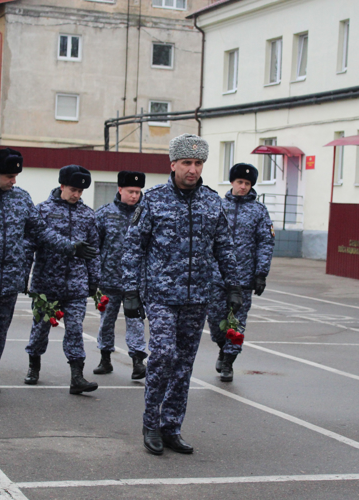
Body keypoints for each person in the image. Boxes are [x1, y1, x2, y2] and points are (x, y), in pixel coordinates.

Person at [0, 149, 97, 406]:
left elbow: (41, 232)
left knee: (0, 332)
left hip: (10, 279)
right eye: (10, 176)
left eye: (16, 176)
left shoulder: (21, 199)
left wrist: (71, 246)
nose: (15, 181)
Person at [122, 133, 242, 456]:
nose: (193, 169)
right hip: (160, 294)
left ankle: (171, 426)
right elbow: (134, 246)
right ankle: (151, 422)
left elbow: (224, 247)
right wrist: (130, 291)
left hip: (197, 297)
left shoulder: (212, 202)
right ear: (173, 163)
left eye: (198, 163)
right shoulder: (154, 199)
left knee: (184, 364)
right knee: (162, 355)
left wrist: (233, 286)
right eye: (187, 163)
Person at [24, 164, 101, 394]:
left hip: (76, 283)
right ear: (62, 186)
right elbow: (29, 245)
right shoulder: (42, 211)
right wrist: (23, 276)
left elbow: (94, 250)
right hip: (46, 283)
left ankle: (77, 376)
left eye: (81, 192)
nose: (77, 195)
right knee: (40, 328)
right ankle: (33, 365)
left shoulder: (88, 215)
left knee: (75, 329)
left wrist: (94, 279)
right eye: (73, 190)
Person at [207, 163, 275, 382]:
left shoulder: (259, 211)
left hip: (244, 278)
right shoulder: (218, 206)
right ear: (232, 183)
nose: (243, 187)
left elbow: (266, 242)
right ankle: (222, 346)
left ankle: (228, 361)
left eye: (247, 183)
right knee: (216, 321)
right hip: (217, 277)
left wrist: (261, 273)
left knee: (237, 322)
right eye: (239, 182)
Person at [94, 171, 148, 379]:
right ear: (120, 190)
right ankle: (105, 358)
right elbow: (95, 246)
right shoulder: (104, 213)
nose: (134, 196)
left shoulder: (145, 214)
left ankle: (137, 361)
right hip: (109, 279)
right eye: (130, 191)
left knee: (135, 320)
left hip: (136, 282)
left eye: (137, 192)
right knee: (107, 320)